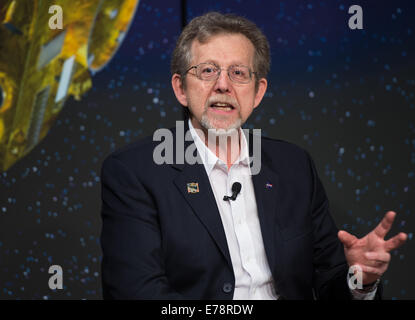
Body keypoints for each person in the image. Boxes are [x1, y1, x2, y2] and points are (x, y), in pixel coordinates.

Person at [100, 12, 407, 300]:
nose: (223, 85)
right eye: (208, 71)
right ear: (181, 88)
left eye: (238, 73)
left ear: (258, 92)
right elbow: (137, 292)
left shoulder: (294, 166)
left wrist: (359, 279)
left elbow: (331, 282)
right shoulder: (135, 172)